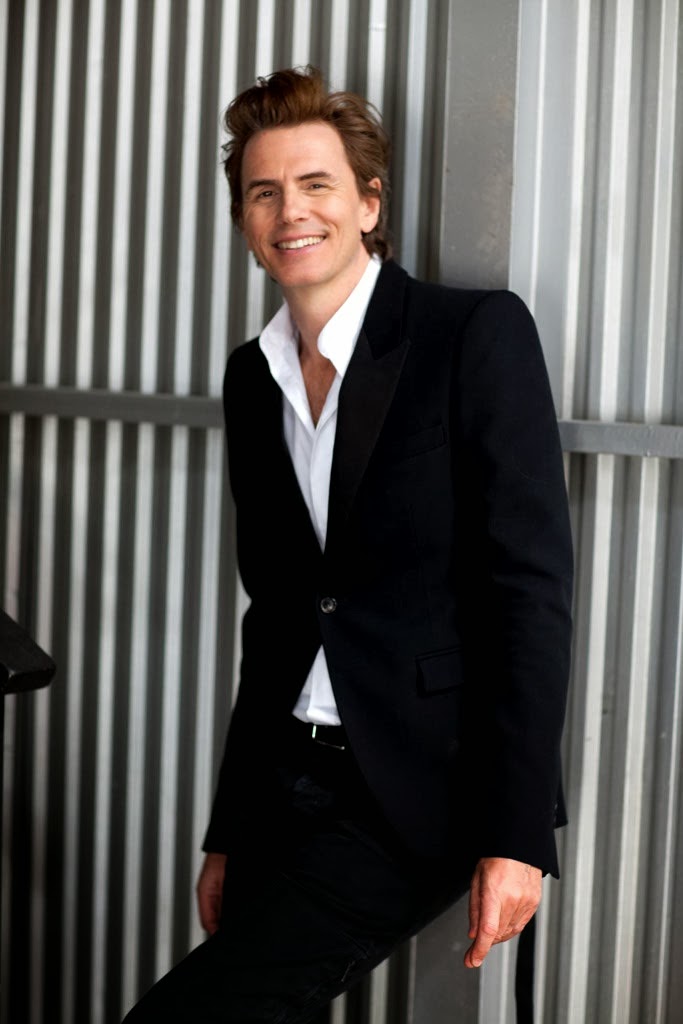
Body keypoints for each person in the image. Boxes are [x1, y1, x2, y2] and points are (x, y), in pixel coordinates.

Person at [124, 65, 573, 1023]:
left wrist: (517, 834)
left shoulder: (471, 334)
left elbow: (528, 592)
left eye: (316, 184)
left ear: (369, 203)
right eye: (263, 191)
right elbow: (278, 613)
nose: (290, 210)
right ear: (245, 222)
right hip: (286, 778)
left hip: (416, 789)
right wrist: (229, 828)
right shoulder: (253, 378)